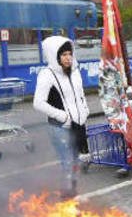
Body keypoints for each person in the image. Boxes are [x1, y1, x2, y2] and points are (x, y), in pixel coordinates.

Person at [33, 35, 90, 199]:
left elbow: (81, 95)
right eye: (63, 54)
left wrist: (85, 110)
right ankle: (67, 198)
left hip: (78, 124)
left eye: (69, 54)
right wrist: (62, 116)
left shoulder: (75, 72)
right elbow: (38, 102)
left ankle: (72, 193)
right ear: (55, 56)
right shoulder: (47, 74)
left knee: (76, 161)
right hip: (59, 128)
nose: (68, 58)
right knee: (68, 163)